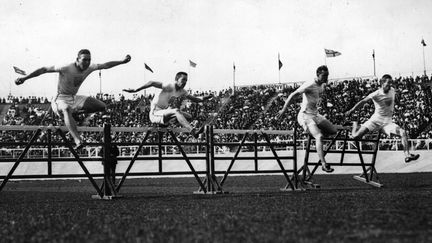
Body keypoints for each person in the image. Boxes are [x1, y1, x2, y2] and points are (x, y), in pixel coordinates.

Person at [15, 49, 131, 149]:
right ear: (77, 59)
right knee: (65, 108)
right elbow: (43, 69)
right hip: (60, 98)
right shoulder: (66, 67)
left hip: (73, 98)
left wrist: (122, 61)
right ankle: (77, 140)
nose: (87, 63)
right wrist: (25, 78)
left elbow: (106, 65)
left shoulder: (90, 67)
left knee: (101, 106)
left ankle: (75, 113)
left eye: (89, 60)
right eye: (84, 60)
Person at [345, 74, 420, 163]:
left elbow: (394, 100)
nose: (390, 85)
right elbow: (363, 101)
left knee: (403, 132)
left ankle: (407, 155)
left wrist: (401, 105)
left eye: (391, 83)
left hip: (387, 123)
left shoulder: (392, 90)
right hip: (375, 121)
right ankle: (354, 124)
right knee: (356, 136)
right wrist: (351, 110)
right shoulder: (376, 94)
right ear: (382, 83)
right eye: (388, 83)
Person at [277, 65, 337, 172]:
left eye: (327, 75)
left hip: (315, 114)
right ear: (318, 75)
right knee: (319, 136)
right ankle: (324, 164)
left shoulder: (322, 85)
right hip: (305, 115)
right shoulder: (310, 84)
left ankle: (312, 132)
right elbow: (293, 94)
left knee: (333, 131)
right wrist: (283, 109)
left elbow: (317, 99)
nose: (326, 78)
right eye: (324, 75)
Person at [123, 72, 213, 138]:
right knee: (176, 111)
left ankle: (166, 124)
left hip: (164, 112)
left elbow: (196, 99)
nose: (185, 82)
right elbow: (151, 82)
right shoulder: (169, 86)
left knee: (189, 116)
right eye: (183, 80)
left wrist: (207, 97)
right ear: (176, 80)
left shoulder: (183, 91)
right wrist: (136, 90)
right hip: (155, 113)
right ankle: (193, 131)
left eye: (186, 80)